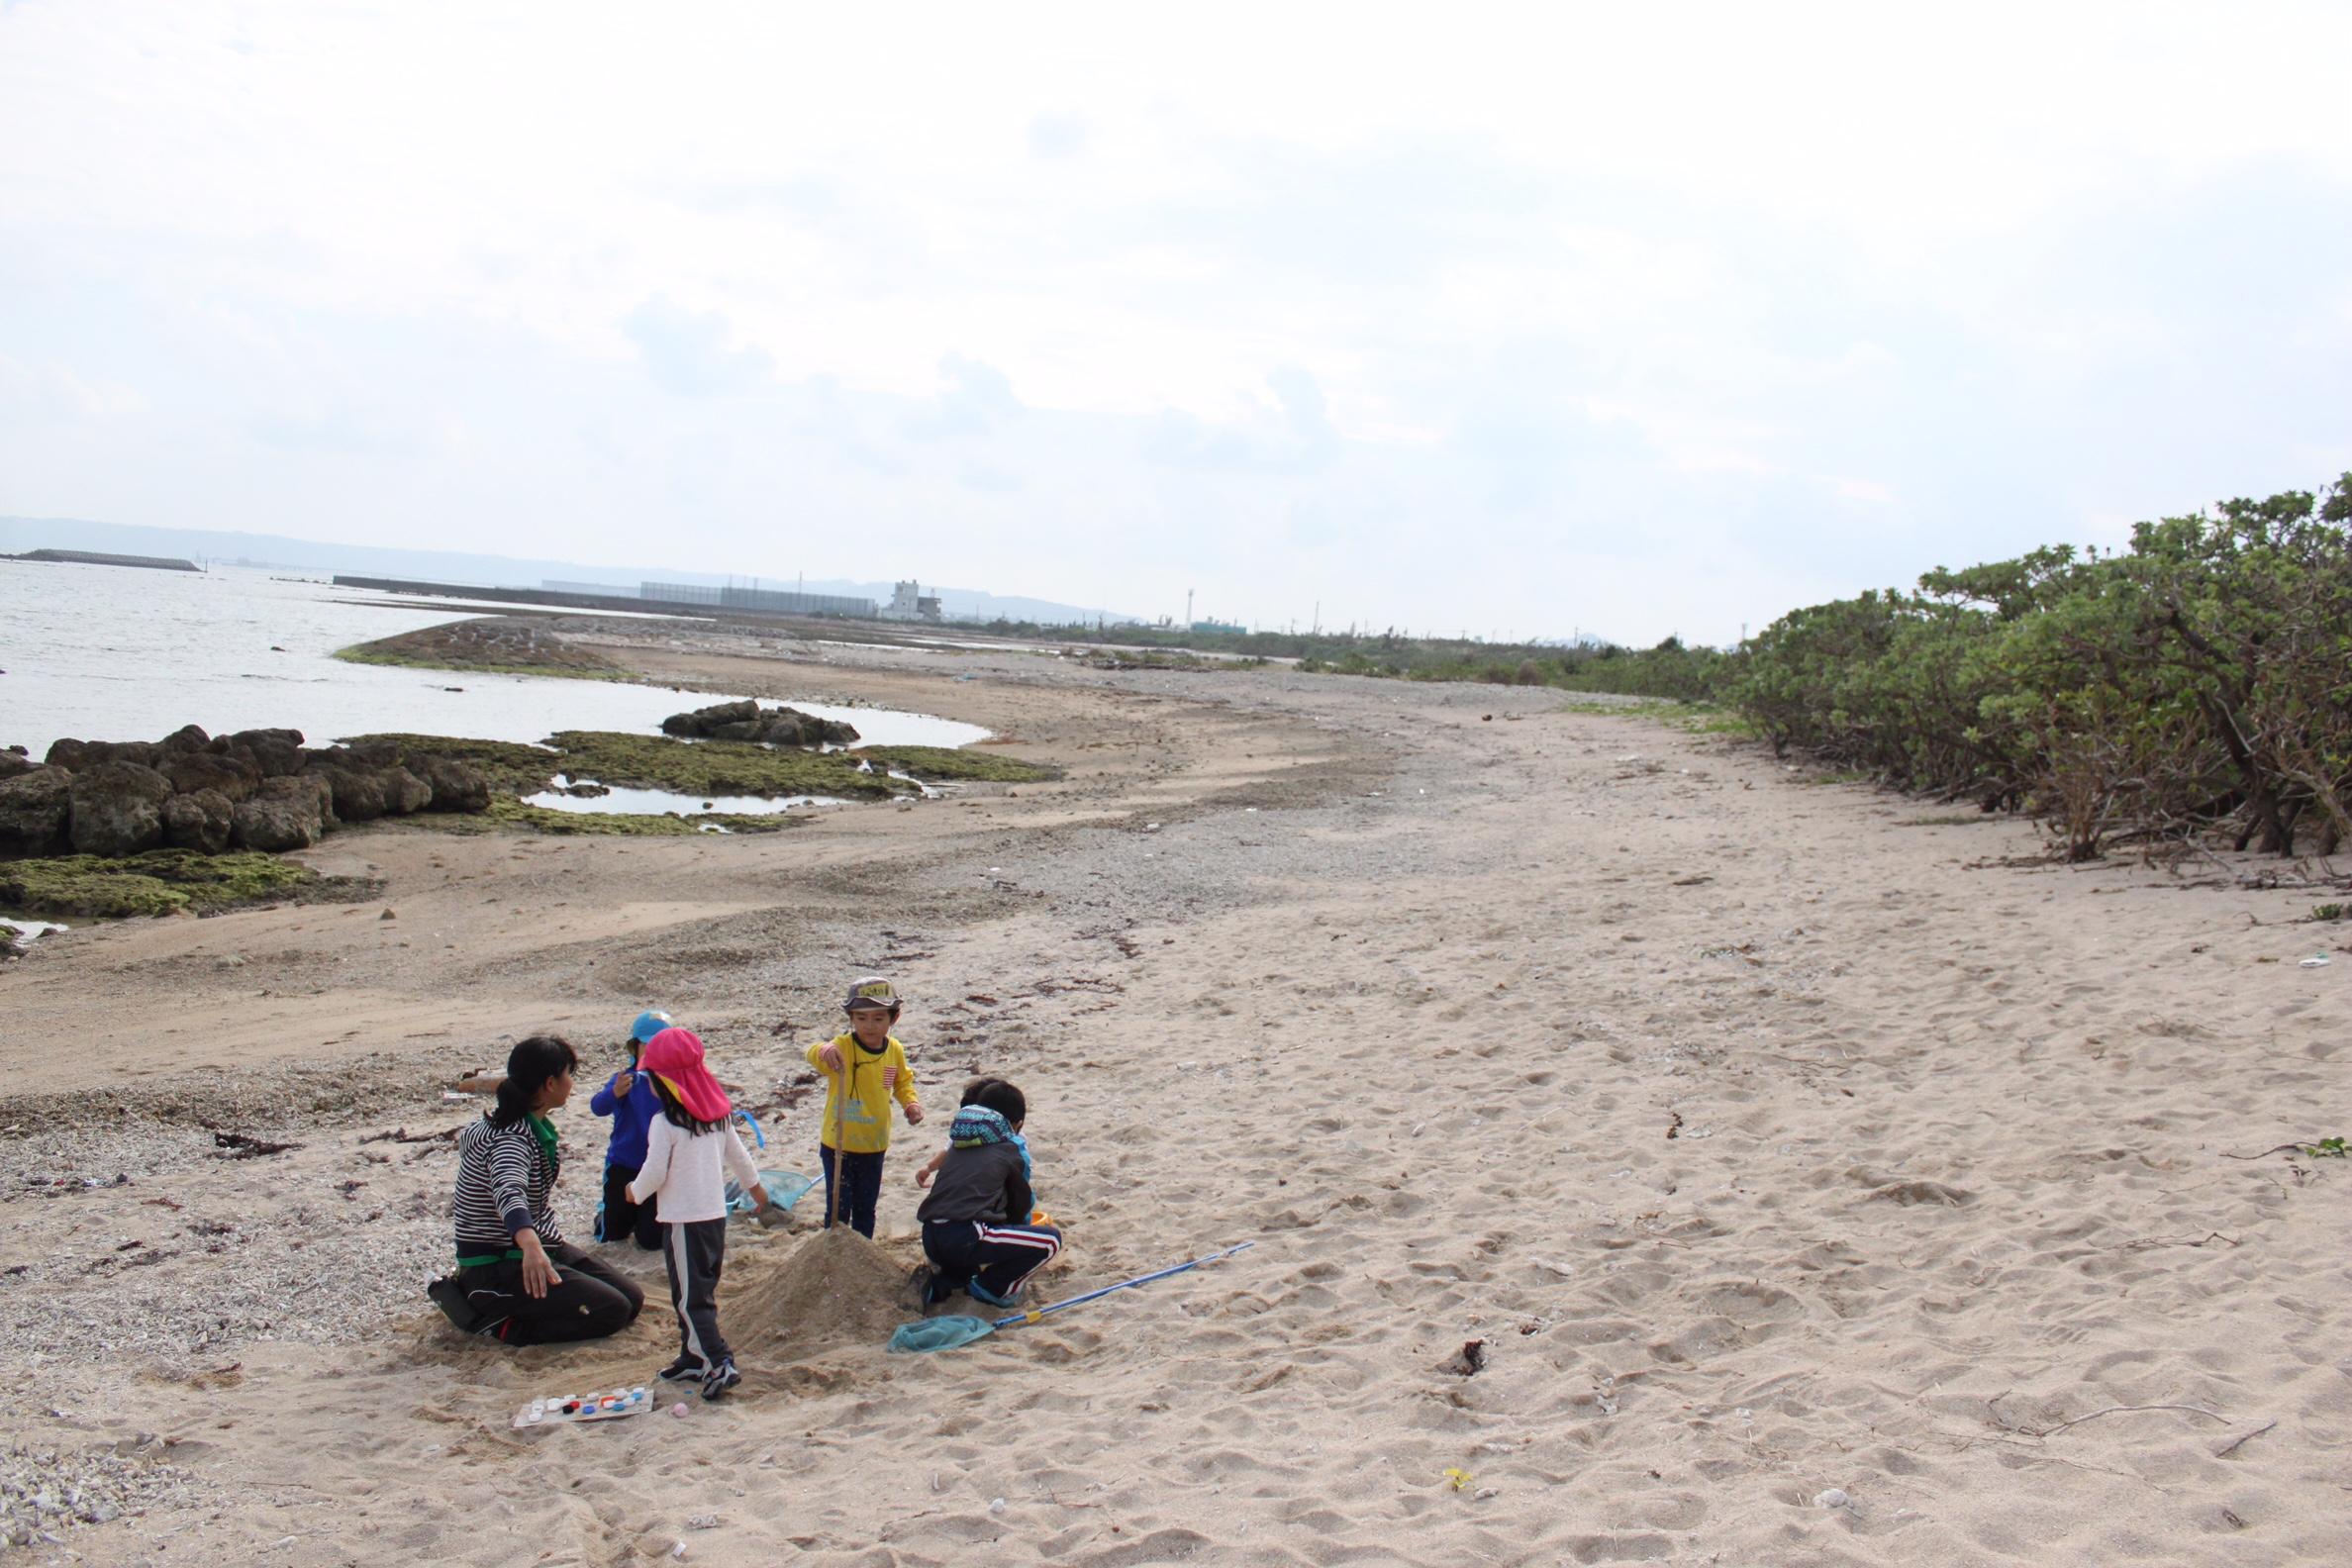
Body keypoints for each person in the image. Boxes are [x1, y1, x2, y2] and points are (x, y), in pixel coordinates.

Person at [430, 1034, 645, 1344]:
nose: (571, 1083)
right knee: (611, 1310)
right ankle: (498, 1324)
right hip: (497, 1264)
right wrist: (530, 1244)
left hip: (540, 1244)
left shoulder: (521, 1124)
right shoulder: (511, 1138)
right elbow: (509, 1190)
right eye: (568, 1075)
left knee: (631, 1300)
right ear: (549, 1084)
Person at [626, 1027, 767, 1399]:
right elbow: (740, 1156)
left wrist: (634, 1193)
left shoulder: (665, 1123)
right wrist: (755, 1188)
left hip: (684, 1221)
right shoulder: (718, 1117)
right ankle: (692, 1356)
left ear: (666, 1082)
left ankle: (719, 1362)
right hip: (713, 1218)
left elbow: (654, 1172)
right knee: (695, 1289)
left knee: (691, 1298)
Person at [915, 1078, 1061, 1308]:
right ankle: (992, 1290)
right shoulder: (1012, 1148)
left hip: (931, 1236)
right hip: (965, 1235)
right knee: (1050, 1240)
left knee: (975, 1238)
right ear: (1018, 1124)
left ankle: (946, 1282)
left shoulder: (958, 1143)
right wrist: (1021, 1230)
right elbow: (1020, 1202)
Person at [807, 976, 924, 1237]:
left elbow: (902, 1081)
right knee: (837, 1209)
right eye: (861, 1018)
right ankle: (833, 1254)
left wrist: (911, 1104)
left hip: (874, 1143)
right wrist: (823, 1050)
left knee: (865, 1207)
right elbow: (814, 1054)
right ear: (851, 1018)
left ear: (894, 1018)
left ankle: (863, 1253)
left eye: (878, 1018)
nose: (869, 1026)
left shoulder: (894, 1049)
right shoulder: (843, 1047)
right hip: (838, 1143)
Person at [589, 1009, 671, 1249]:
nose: (654, 1052)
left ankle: (643, 1219)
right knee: (612, 1234)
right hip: (623, 1165)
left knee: (651, 1241)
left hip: (657, 1170)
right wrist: (614, 1093)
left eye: (661, 1046)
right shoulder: (625, 1079)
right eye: (648, 1046)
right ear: (634, 1047)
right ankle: (604, 1213)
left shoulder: (674, 1083)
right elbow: (597, 1107)